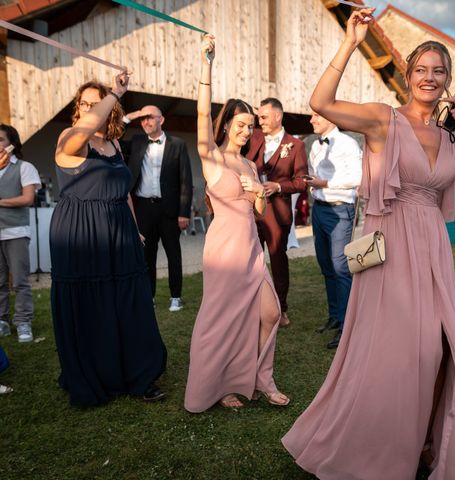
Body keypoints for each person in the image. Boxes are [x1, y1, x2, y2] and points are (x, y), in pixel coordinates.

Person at [282, 8, 455, 480]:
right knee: (397, 352)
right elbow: (322, 100)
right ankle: (378, 449)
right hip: (390, 245)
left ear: (448, 81)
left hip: (432, 247)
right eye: (421, 70)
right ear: (407, 77)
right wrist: (350, 42)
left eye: (438, 72)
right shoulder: (382, 119)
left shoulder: (449, 135)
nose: (429, 78)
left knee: (435, 350)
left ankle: (417, 441)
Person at [184, 35, 289, 412]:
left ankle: (261, 378)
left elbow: (258, 208)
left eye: (250, 127)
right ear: (226, 124)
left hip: (250, 249)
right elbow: (200, 117)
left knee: (271, 314)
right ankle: (219, 386)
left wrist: (257, 191)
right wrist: (207, 64)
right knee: (221, 322)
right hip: (223, 250)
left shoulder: (249, 165)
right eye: (241, 125)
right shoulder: (212, 157)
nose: (247, 132)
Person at [50, 74, 167, 407]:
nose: (89, 109)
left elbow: (125, 193)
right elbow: (85, 130)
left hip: (119, 229)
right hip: (80, 231)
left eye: (95, 103)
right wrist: (114, 93)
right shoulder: (71, 137)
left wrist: (135, 228)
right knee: (91, 304)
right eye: (84, 103)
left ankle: (139, 374)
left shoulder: (114, 144)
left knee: (130, 301)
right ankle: (95, 374)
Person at [122, 105, 193, 312]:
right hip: (143, 208)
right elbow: (112, 138)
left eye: (149, 118)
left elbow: (185, 180)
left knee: (173, 254)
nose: (145, 122)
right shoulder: (136, 142)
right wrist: (129, 117)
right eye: (142, 119)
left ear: (161, 120)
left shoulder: (177, 144)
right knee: (146, 256)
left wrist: (184, 212)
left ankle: (176, 297)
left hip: (169, 210)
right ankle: (149, 297)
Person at [246, 98, 308, 327]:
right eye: (258, 117)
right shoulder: (254, 138)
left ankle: (281, 309)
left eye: (263, 117)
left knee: (277, 260)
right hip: (252, 209)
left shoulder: (296, 145)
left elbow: (302, 182)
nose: (259, 121)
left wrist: (279, 187)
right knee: (251, 258)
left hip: (277, 212)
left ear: (278, 116)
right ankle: (252, 306)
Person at [306, 111, 362, 349]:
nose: (311, 120)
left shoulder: (349, 143)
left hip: (340, 209)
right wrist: (314, 188)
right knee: (326, 266)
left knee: (341, 268)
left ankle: (348, 328)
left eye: (316, 116)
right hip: (319, 209)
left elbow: (358, 177)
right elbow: (314, 175)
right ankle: (336, 316)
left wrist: (325, 184)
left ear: (330, 117)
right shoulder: (314, 145)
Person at [0, 124, 40, 343]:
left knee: (20, 281)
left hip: (15, 231)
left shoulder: (25, 168)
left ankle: (23, 321)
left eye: (0, 140)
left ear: (11, 144)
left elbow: (28, 199)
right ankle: (2, 321)